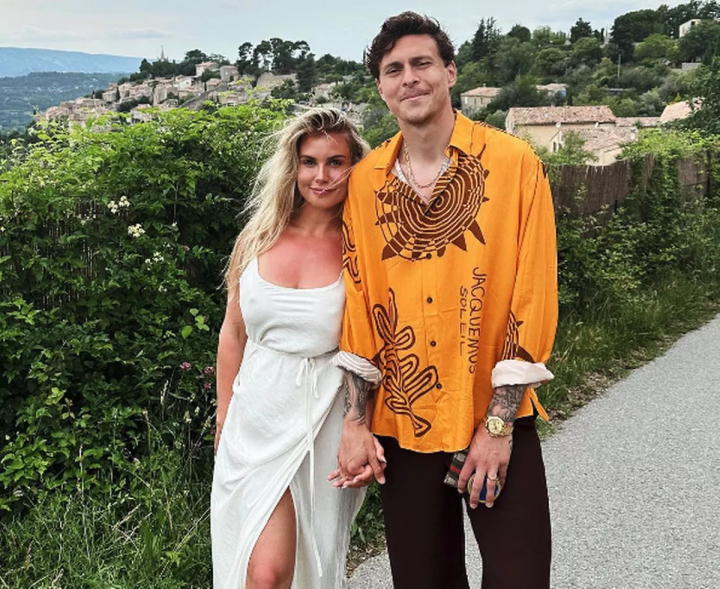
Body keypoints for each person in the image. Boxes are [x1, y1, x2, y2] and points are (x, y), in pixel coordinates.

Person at [330, 12, 558, 589]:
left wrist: (498, 426)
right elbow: (359, 304)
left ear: (450, 72)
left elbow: (532, 297)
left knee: (520, 578)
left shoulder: (514, 165)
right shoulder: (365, 182)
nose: (409, 78)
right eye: (394, 70)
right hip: (403, 424)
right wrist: (356, 422)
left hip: (494, 415)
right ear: (381, 88)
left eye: (422, 63)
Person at [211, 108, 372, 589]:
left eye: (335, 162)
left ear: (354, 167)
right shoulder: (258, 237)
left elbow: (371, 346)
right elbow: (232, 333)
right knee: (263, 575)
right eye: (309, 162)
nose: (321, 176)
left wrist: (360, 425)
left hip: (322, 422)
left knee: (305, 571)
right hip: (254, 421)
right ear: (293, 167)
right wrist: (224, 417)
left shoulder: (363, 247)